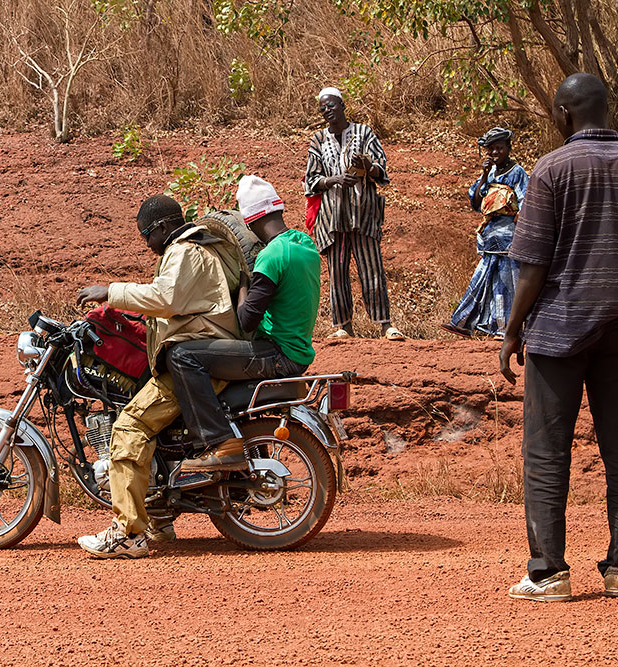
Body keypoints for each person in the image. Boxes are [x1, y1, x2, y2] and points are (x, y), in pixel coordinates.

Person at [500, 73, 618, 602]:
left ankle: (548, 573)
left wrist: (510, 332)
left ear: (563, 113)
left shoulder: (552, 170)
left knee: (547, 452)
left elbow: (531, 266)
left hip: (557, 333)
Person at [74, 195, 244, 558]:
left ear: (164, 226)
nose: (146, 243)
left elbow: (165, 297)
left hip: (197, 354)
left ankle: (127, 532)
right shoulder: (198, 247)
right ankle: (159, 517)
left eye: (146, 234)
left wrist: (111, 292)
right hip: (206, 350)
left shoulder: (185, 250)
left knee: (129, 428)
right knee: (158, 432)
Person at [167, 176, 322, 471]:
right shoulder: (305, 245)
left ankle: (219, 443)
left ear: (249, 224)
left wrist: (242, 282)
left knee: (182, 356)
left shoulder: (270, 256)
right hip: (298, 351)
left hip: (278, 355)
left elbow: (247, 318)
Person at [304, 86, 405, 341]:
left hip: (363, 214)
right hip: (333, 217)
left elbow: (382, 171)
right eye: (322, 108)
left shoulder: (364, 133)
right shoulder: (318, 140)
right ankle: (343, 326)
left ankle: (385, 324)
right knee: (337, 273)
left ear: (342, 105)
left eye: (331, 106)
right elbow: (310, 181)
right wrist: (334, 179)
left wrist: (368, 167)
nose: (327, 111)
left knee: (372, 268)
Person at [442, 127, 529, 338]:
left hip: (509, 238)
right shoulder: (489, 173)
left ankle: (506, 328)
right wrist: (483, 175)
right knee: (484, 281)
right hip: (490, 237)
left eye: (499, 148)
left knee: (508, 283)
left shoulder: (517, 173)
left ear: (508, 148)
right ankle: (472, 323)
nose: (495, 153)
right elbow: (476, 201)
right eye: (491, 150)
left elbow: (525, 200)